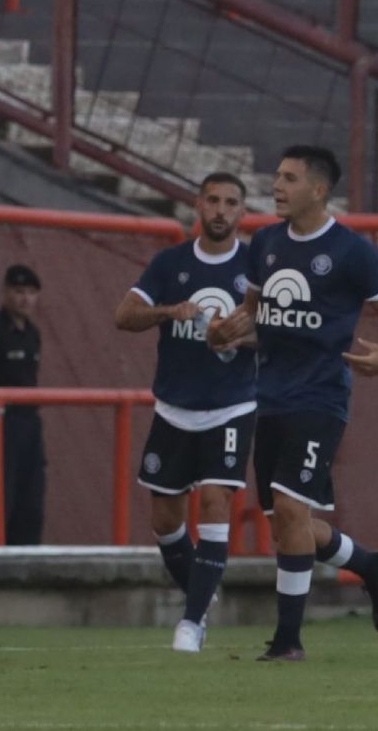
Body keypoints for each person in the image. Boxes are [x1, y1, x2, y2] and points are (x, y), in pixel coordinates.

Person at [211, 146, 378, 661]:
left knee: (294, 511)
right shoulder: (268, 243)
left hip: (321, 397)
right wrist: (228, 330)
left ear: (318, 190)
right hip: (270, 396)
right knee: (287, 522)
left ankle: (288, 641)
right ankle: (369, 563)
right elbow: (254, 315)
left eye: (289, 178)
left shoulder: (352, 251)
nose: (276, 185)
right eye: (277, 176)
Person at [114, 172, 256, 653]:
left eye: (230, 202)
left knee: (217, 501)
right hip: (174, 409)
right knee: (164, 521)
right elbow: (123, 315)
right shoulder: (170, 263)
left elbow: (279, 330)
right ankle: (202, 586)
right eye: (212, 200)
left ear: (242, 210)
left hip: (232, 406)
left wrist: (238, 335)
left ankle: (191, 622)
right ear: (198, 205)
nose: (220, 210)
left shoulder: (256, 266)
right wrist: (166, 312)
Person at [0, 264, 47, 545]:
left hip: (29, 423)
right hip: (0, 423)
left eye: (31, 293)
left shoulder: (33, 334)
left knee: (31, 499)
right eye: (19, 292)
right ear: (6, 293)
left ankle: (28, 558)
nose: (25, 299)